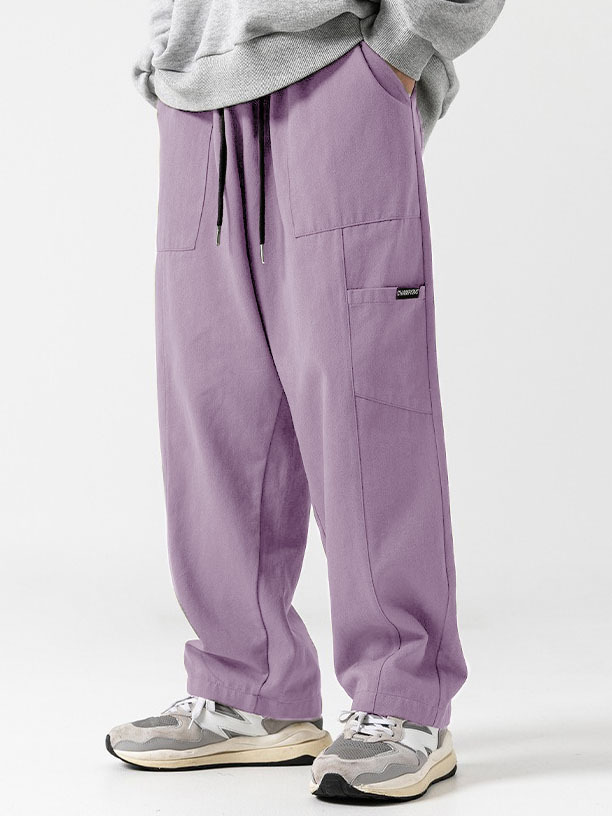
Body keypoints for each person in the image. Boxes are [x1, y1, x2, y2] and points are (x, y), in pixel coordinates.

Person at [107, 0, 504, 802]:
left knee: (363, 405)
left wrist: (403, 49)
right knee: (215, 407)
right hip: (196, 101)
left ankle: (403, 700)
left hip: (335, 75)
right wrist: (169, 48)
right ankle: (248, 688)